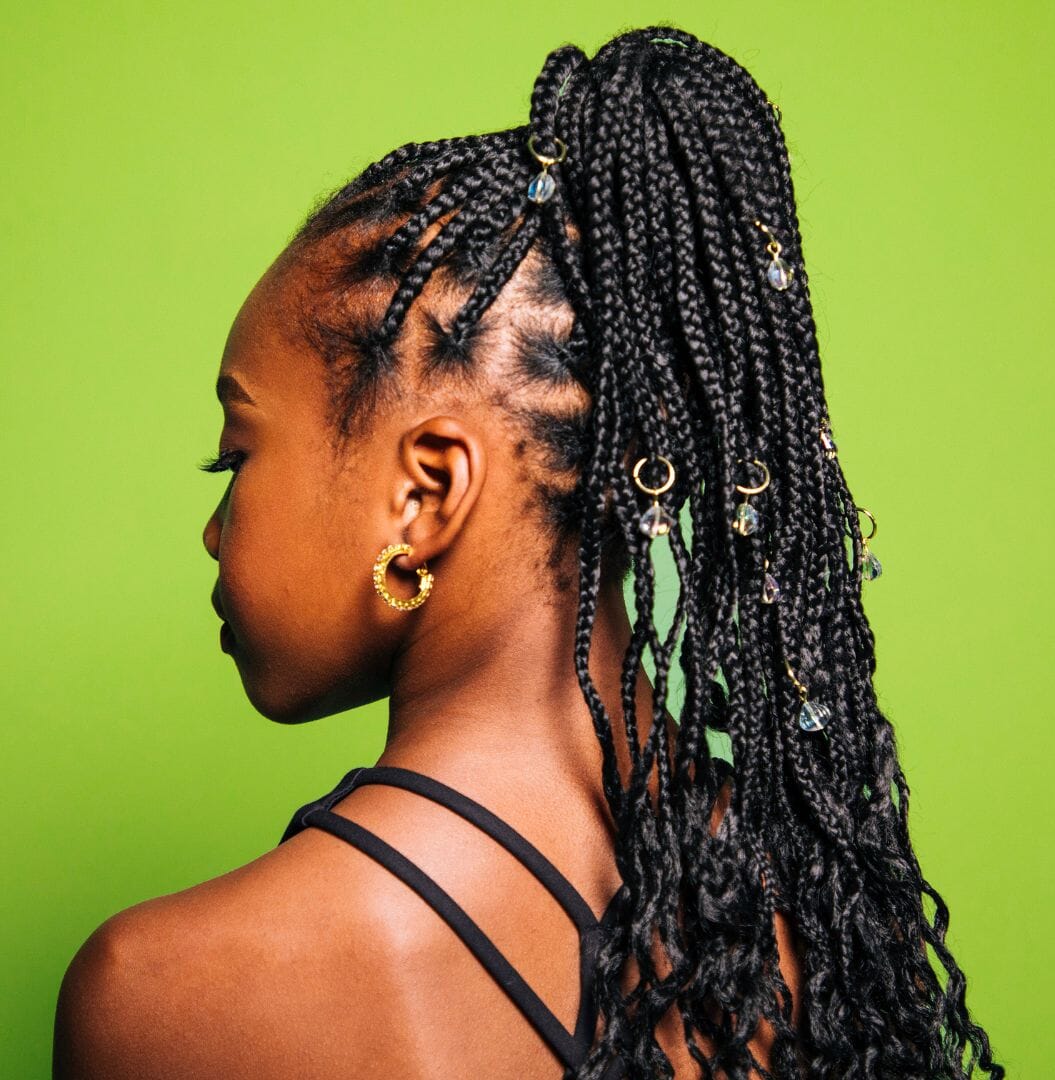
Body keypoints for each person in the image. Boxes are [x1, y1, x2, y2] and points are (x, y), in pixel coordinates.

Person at [52, 24, 1005, 1080]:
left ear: (427, 493)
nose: (213, 526)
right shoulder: (818, 903)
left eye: (233, 457)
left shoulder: (166, 994)